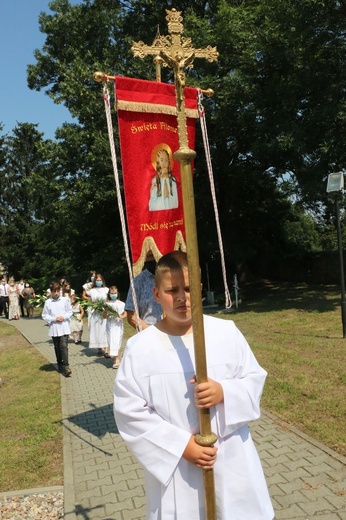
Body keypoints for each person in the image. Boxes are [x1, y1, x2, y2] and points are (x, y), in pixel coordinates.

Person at [114, 251, 274, 520]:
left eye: (188, 288)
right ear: (155, 293)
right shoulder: (141, 348)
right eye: (172, 289)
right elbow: (129, 412)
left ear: (199, 288)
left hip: (231, 460)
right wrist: (180, 446)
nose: (181, 297)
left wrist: (224, 391)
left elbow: (254, 379)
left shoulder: (226, 333)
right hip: (177, 469)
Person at [125, 250, 162, 331]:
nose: (153, 258)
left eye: (155, 255)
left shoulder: (172, 278)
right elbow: (131, 316)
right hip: (148, 333)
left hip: (173, 333)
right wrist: (149, 333)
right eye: (149, 256)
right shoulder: (138, 282)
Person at [42, 282, 73, 377]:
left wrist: (63, 317)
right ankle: (59, 363)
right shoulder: (48, 302)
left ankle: (66, 366)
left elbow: (70, 311)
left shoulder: (65, 300)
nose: (56, 293)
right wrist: (54, 319)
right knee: (57, 347)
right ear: (51, 292)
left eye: (57, 291)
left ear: (60, 291)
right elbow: (44, 315)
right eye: (54, 291)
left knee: (64, 346)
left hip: (63, 326)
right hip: (54, 327)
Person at [103, 286, 127, 369]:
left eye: (115, 293)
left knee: (117, 341)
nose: (113, 295)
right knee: (111, 341)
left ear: (117, 294)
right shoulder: (107, 304)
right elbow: (104, 316)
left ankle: (117, 360)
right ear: (109, 294)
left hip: (118, 325)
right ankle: (115, 359)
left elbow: (125, 313)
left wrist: (121, 316)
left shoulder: (121, 304)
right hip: (110, 325)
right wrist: (105, 310)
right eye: (112, 293)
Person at [149, 146, 178, 211]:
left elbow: (176, 201)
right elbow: (151, 206)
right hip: (160, 215)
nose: (164, 163)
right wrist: (153, 191)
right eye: (161, 160)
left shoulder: (172, 180)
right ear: (158, 163)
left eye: (166, 160)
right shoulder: (155, 181)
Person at [86, 273, 108, 355]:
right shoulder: (92, 291)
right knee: (97, 330)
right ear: (95, 281)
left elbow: (108, 300)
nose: (99, 281)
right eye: (97, 280)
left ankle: (106, 350)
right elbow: (90, 301)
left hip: (104, 312)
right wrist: (94, 303)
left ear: (102, 281)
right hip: (95, 313)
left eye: (100, 280)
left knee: (105, 329)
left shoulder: (106, 289)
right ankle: (99, 347)